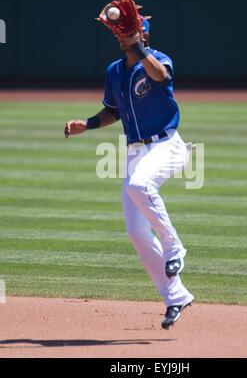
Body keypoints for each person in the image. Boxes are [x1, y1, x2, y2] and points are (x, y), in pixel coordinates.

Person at [64, 16, 194, 329]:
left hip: (167, 145)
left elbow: (161, 76)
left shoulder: (158, 60)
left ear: (143, 36)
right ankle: (175, 295)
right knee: (135, 232)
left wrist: (136, 42)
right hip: (136, 153)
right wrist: (88, 124)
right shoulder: (114, 71)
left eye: (130, 34)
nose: (123, 38)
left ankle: (173, 246)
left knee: (139, 185)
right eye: (121, 34)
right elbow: (113, 110)